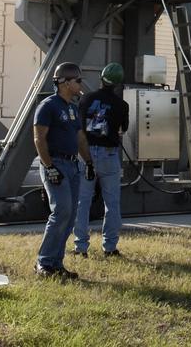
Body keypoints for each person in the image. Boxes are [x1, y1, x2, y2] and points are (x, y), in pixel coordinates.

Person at [33, 62, 89, 279]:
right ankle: (43, 262)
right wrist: (49, 167)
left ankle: (56, 264)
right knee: (61, 211)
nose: (81, 84)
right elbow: (39, 139)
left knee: (70, 214)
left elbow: (80, 139)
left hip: (73, 165)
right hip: (56, 164)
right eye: (78, 80)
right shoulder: (48, 106)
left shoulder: (72, 108)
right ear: (65, 82)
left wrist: (89, 162)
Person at [73, 63, 130, 258]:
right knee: (112, 203)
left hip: (86, 153)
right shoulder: (122, 105)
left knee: (82, 202)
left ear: (101, 78)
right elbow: (123, 129)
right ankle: (110, 247)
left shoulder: (86, 99)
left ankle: (80, 248)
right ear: (118, 83)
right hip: (109, 155)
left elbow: (78, 127)